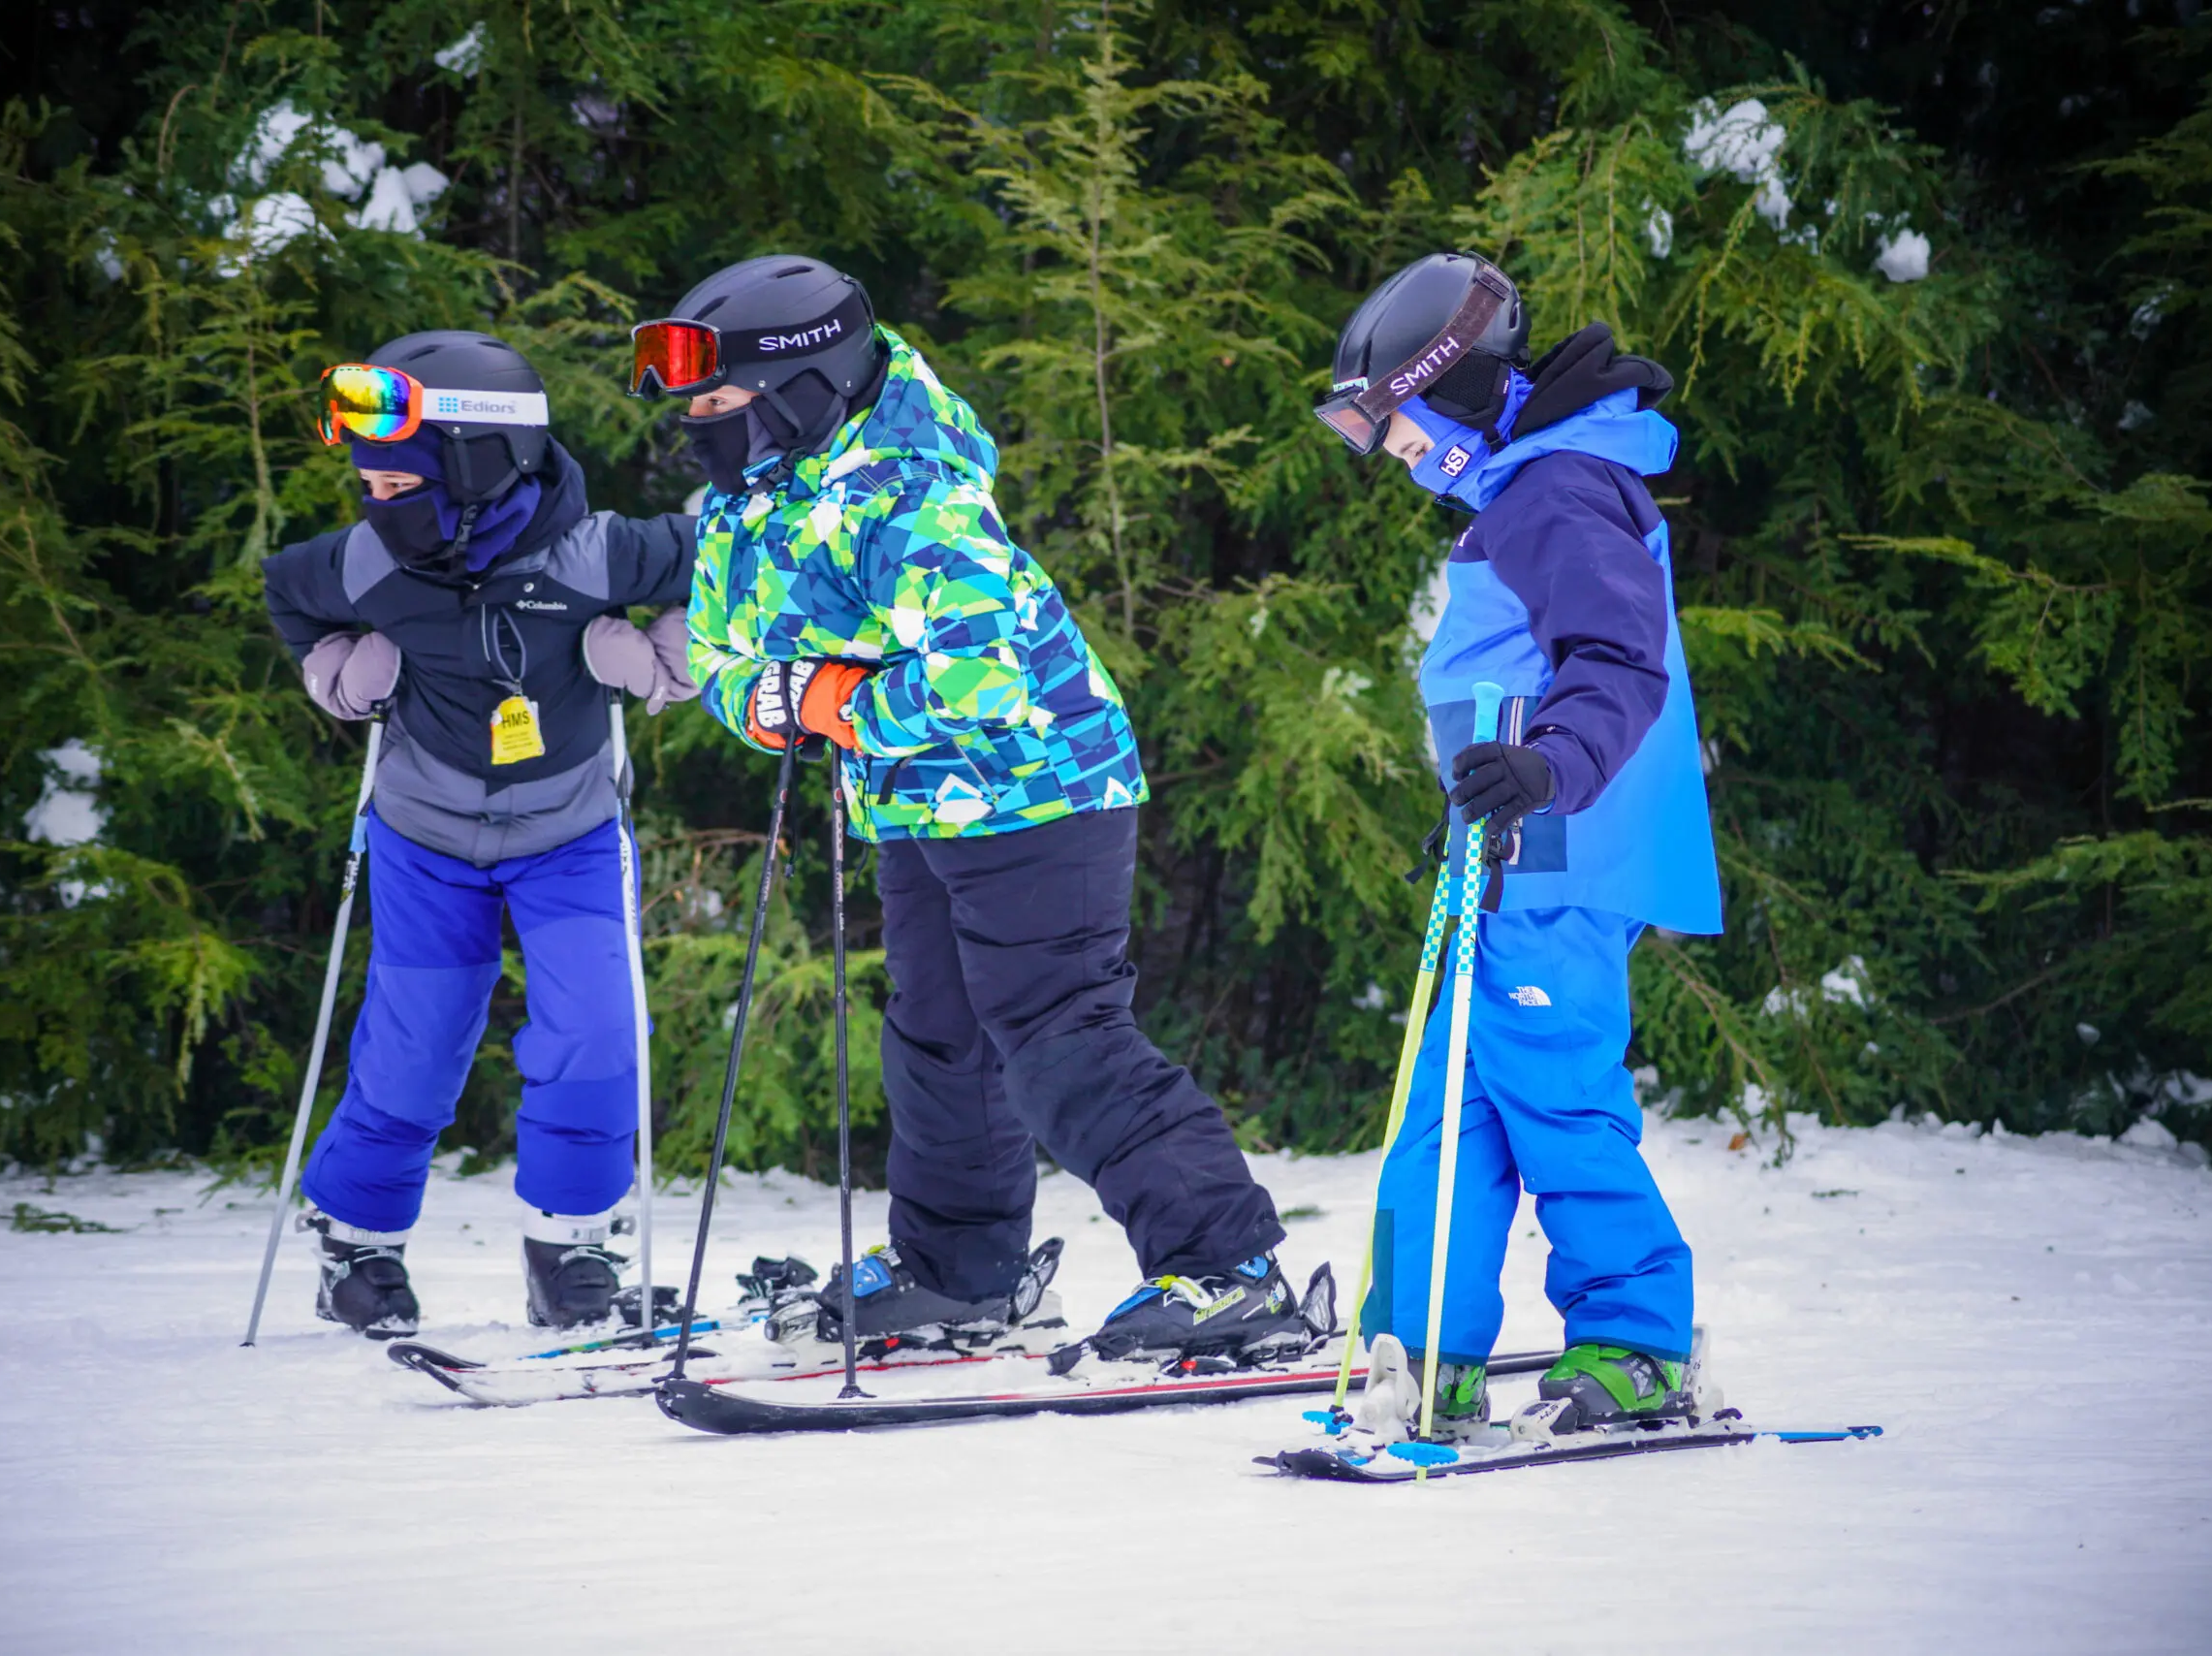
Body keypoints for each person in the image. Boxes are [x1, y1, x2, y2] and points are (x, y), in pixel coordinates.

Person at [631, 255, 1313, 1363]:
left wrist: (837, 701)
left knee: (1057, 1034)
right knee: (936, 1042)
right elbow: (713, 645)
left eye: (719, 402)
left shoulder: (916, 489)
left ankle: (1227, 1267)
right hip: (913, 801)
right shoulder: (749, 500)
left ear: (802, 385)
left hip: (1038, 784)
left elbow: (981, 674)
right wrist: (766, 702)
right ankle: (963, 1273)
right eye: (692, 408)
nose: (700, 427)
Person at [1317, 252, 1722, 1435]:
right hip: (1505, 857)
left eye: (1398, 432)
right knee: (1449, 1107)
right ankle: (1423, 1343)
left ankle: (1638, 1338)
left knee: (1552, 1094)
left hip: (1565, 850)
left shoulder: (1556, 491)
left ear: (1458, 393)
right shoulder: (1524, 492)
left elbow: (1614, 659)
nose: (1397, 458)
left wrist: (1548, 768)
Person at [263, 331, 698, 1336]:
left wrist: (657, 659)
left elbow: (708, 563)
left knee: (596, 1034)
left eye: (394, 479)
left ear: (474, 461)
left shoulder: (593, 553)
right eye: (365, 481)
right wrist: (339, 673)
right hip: (426, 837)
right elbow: (291, 593)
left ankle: (571, 1248)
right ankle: (355, 1248)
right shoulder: (368, 561)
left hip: (571, 834)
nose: (375, 500)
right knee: (414, 1047)